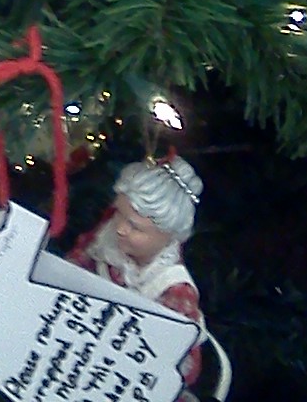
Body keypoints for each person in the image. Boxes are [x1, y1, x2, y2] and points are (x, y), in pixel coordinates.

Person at [69, 156, 212, 398]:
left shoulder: (173, 290)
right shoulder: (108, 239)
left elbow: (180, 367)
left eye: (135, 227)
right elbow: (74, 265)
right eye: (119, 214)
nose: (120, 228)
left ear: (169, 236)